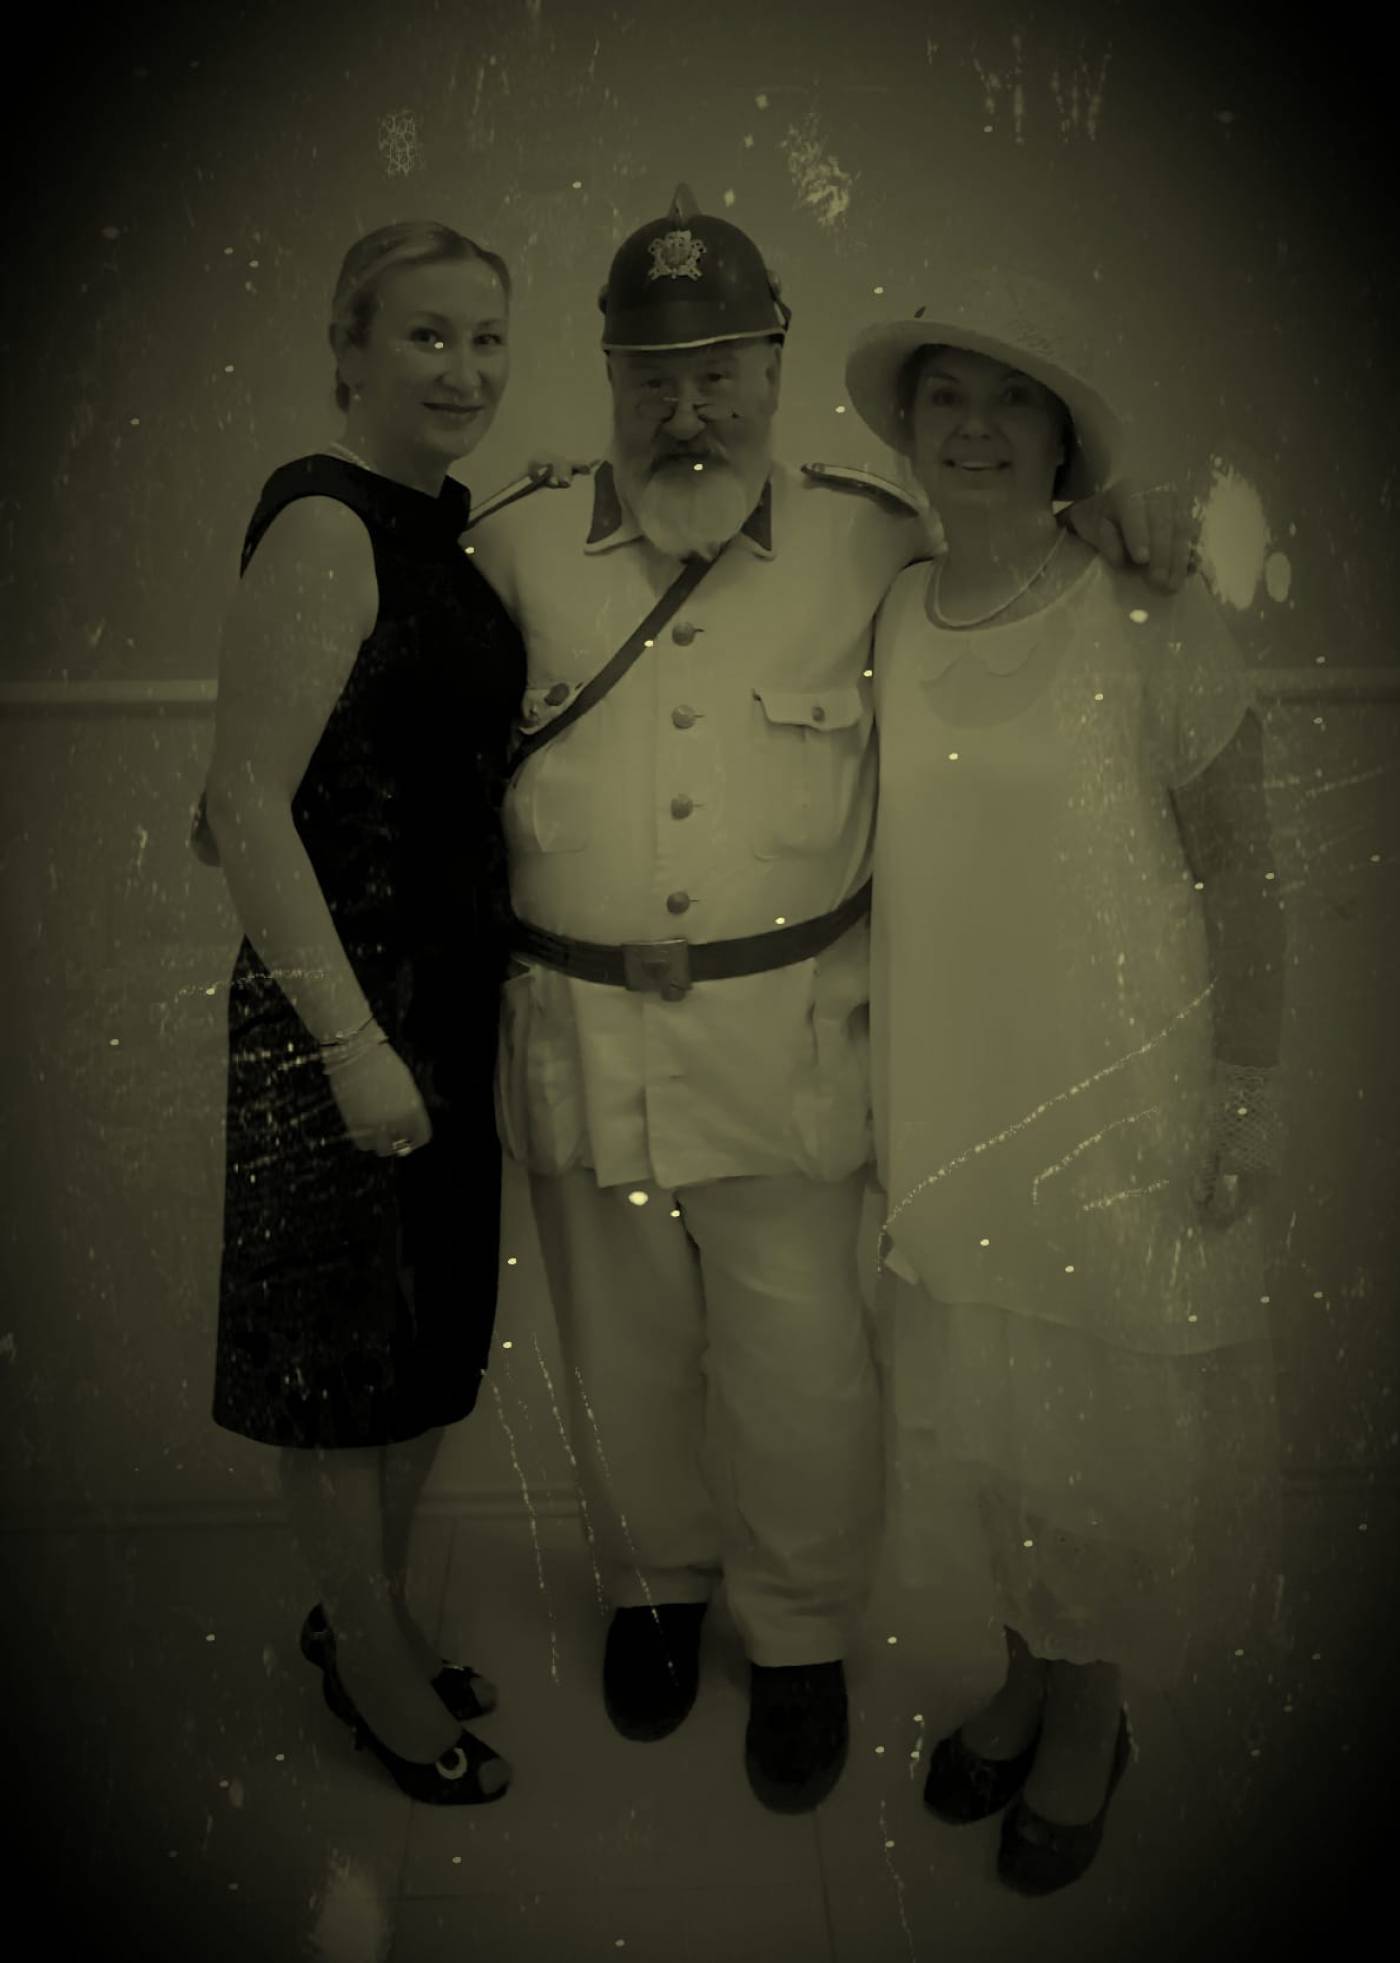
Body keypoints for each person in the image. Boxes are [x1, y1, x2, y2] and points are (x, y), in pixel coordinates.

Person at [467, 189, 1198, 1814]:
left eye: (721, 373)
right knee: (622, 1356)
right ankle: (655, 1592)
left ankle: (797, 1637)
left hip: (788, 1047)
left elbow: (1022, 566)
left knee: (800, 1372)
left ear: (776, 371)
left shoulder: (877, 543)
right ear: (609, 377)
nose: (689, 409)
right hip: (580, 1038)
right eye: (656, 377)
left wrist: (1121, 511)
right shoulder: (508, 552)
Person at [845, 273, 1286, 1889]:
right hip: (955, 1100)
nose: (972, 426)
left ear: (1062, 444)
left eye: (1009, 401)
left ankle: (1094, 1716)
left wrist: (1245, 1095)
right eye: (945, 397)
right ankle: (1028, 1672)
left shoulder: (1150, 611)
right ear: (909, 428)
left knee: (1108, 1438)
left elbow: (1242, 874)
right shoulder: (893, 610)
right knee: (997, 1428)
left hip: (1118, 1104)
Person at [201, 220, 530, 1808]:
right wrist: (349, 1049)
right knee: (341, 1379)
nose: (463, 370)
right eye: (426, 335)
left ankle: (368, 1623)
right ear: (348, 347)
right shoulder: (328, 520)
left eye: (488, 338)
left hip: (441, 1013)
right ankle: (377, 1672)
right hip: (348, 1019)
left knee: (420, 1356)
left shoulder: (437, 529)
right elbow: (242, 807)